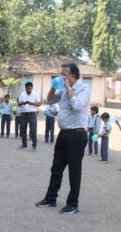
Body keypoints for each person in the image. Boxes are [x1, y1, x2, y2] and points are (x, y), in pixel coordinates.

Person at [36, 63, 90, 215]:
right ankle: (50, 198)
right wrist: (53, 87)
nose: (61, 76)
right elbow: (50, 101)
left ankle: (73, 204)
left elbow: (77, 105)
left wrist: (68, 88)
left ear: (73, 75)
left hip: (77, 134)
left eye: (64, 74)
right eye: (61, 74)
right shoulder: (62, 89)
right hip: (63, 133)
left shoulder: (84, 88)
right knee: (56, 167)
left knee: (74, 170)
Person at [17, 82, 41, 151]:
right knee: (23, 130)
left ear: (32, 87)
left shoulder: (36, 94)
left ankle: (34, 145)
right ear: (25, 88)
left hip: (32, 114)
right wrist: (24, 102)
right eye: (27, 88)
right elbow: (18, 103)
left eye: (30, 88)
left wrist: (32, 103)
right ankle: (24, 144)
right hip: (23, 114)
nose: (28, 89)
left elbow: (39, 104)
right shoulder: (22, 94)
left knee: (33, 130)